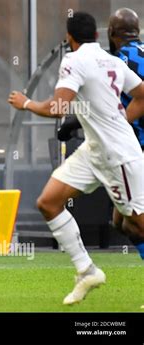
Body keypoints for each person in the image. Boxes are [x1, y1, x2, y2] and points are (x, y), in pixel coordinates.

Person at [8, 12, 144, 305]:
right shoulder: (113, 61)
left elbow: (58, 106)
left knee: (137, 225)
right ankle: (87, 270)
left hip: (118, 154)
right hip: (95, 150)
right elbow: (143, 95)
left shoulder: (73, 60)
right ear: (96, 36)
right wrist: (118, 118)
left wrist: (27, 103)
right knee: (49, 202)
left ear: (70, 38)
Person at [57, 8, 144, 260]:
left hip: (135, 151)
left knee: (133, 223)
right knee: (123, 222)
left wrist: (73, 122)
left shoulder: (119, 60)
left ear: (112, 34)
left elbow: (106, 105)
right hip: (131, 151)